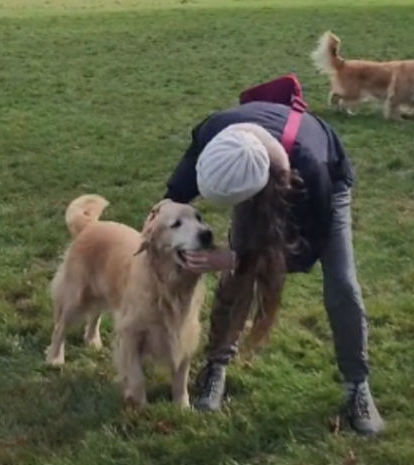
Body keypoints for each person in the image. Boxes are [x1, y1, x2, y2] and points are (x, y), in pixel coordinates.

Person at [163, 100, 384, 435]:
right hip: (259, 166)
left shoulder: (314, 168)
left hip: (322, 187)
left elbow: (303, 253)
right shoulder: (214, 131)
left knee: (342, 285)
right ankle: (216, 365)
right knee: (238, 278)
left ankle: (357, 385)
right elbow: (174, 194)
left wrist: (233, 257)